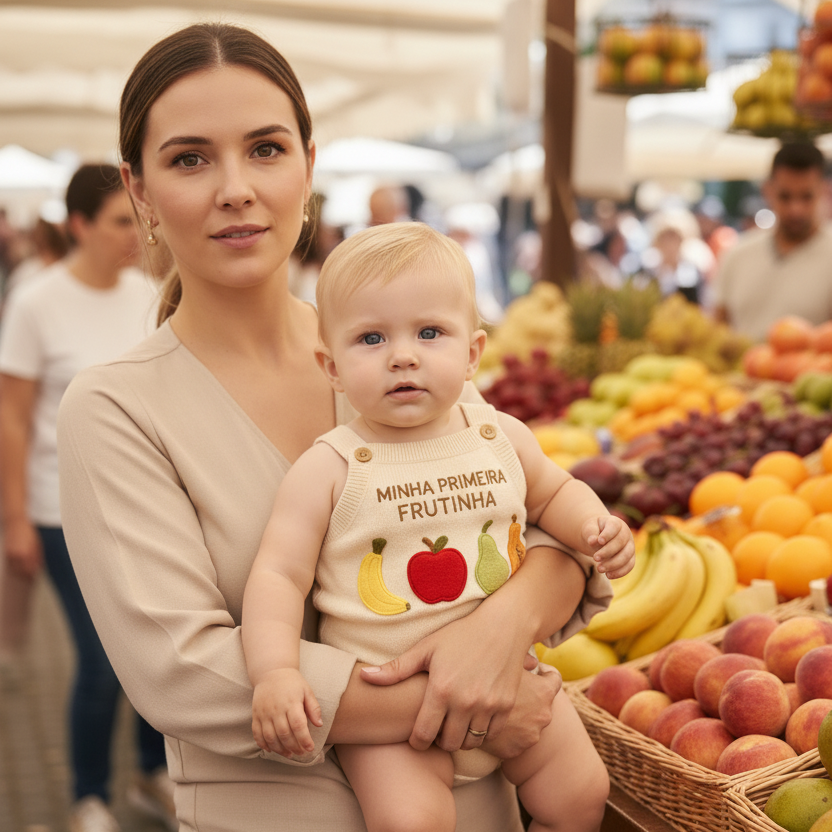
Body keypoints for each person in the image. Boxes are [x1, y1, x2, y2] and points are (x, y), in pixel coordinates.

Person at [57, 23, 614, 831]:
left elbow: (544, 525)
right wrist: (477, 699)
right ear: (137, 188)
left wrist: (501, 627)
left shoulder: (395, 346)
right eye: (188, 159)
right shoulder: (114, 409)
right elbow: (184, 673)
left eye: (266, 149)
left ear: (310, 166)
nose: (235, 188)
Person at [242, 222, 633, 832]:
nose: (404, 355)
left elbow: (556, 492)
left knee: (584, 795)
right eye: (371, 338)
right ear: (333, 367)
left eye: (430, 333)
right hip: (393, 716)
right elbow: (277, 575)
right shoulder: (329, 465)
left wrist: (595, 526)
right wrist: (274, 672)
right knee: (411, 822)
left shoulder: (500, 436)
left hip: (512, 678)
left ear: (473, 353)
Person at [0, 164, 173, 832]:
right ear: (79, 225)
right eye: (120, 220)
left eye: (138, 218)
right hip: (58, 510)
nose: (136, 233)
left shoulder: (148, 294)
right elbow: (12, 418)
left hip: (142, 508)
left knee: (157, 652)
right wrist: (14, 517)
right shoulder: (36, 301)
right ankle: (88, 794)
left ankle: (150, 774)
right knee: (103, 662)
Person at [714, 141, 832, 341]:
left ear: (823, 190)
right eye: (785, 196)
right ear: (767, 190)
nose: (796, 209)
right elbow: (718, 329)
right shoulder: (737, 255)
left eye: (806, 197)